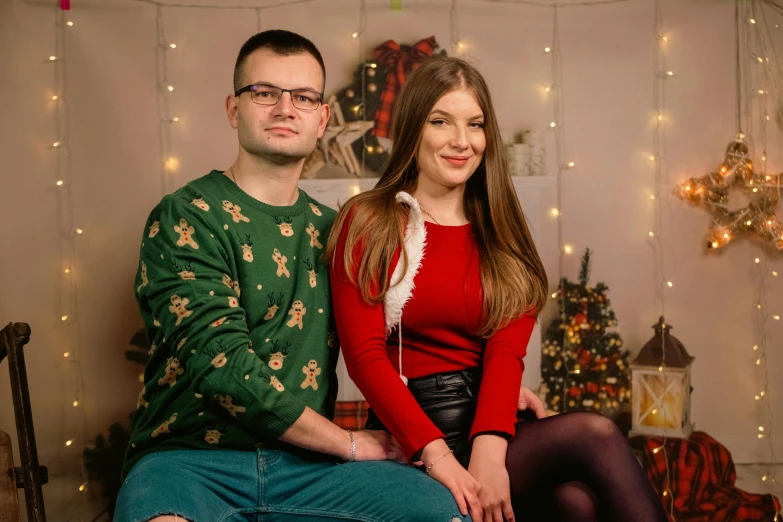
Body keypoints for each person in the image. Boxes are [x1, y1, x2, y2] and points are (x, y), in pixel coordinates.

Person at [115, 30, 476, 522]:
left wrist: (474, 374)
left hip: (310, 471)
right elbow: (226, 370)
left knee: (442, 511)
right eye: (264, 93)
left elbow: (392, 329)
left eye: (303, 97)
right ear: (232, 109)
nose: (285, 108)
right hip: (190, 462)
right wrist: (348, 443)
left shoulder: (339, 232)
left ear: (322, 118)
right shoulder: (187, 216)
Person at [327, 56, 669, 522]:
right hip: (415, 433)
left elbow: (506, 354)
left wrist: (490, 452)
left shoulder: (501, 229)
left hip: (493, 423)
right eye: (441, 121)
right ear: (413, 128)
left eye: (475, 124)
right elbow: (364, 355)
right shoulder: (371, 220)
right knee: (598, 434)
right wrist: (440, 457)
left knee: (576, 504)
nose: (462, 141)